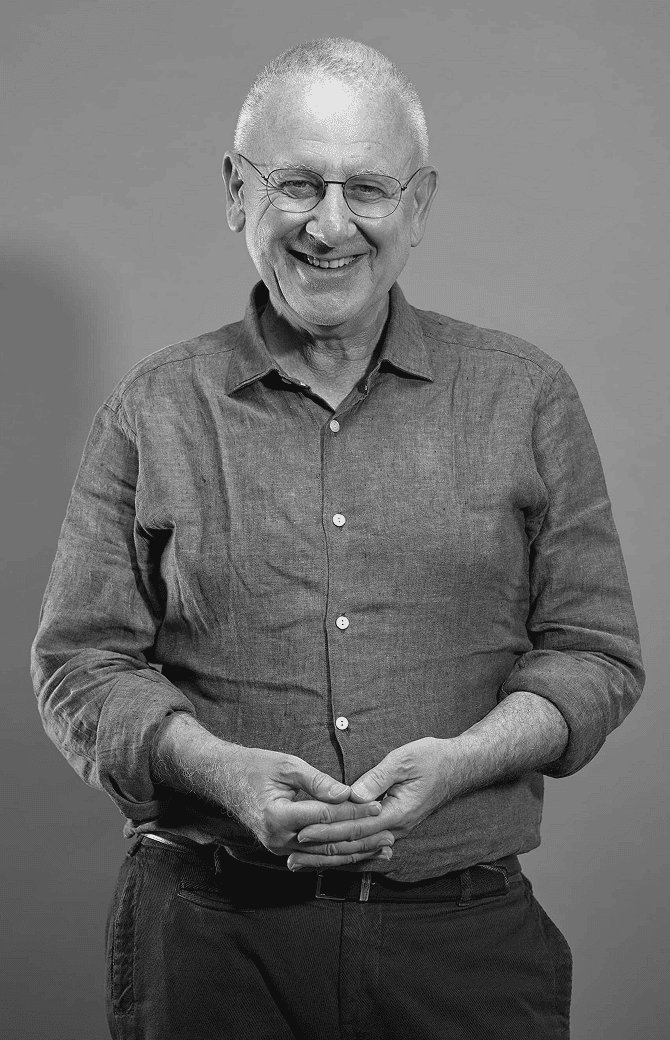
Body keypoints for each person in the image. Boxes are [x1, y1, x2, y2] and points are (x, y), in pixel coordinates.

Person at [32, 37, 644, 1040]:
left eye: (366, 188)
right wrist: (218, 769)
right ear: (237, 192)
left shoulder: (526, 398)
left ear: (418, 204)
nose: (329, 225)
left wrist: (463, 760)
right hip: (210, 940)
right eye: (296, 184)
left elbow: (597, 653)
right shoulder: (153, 409)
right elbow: (79, 666)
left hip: (465, 946)